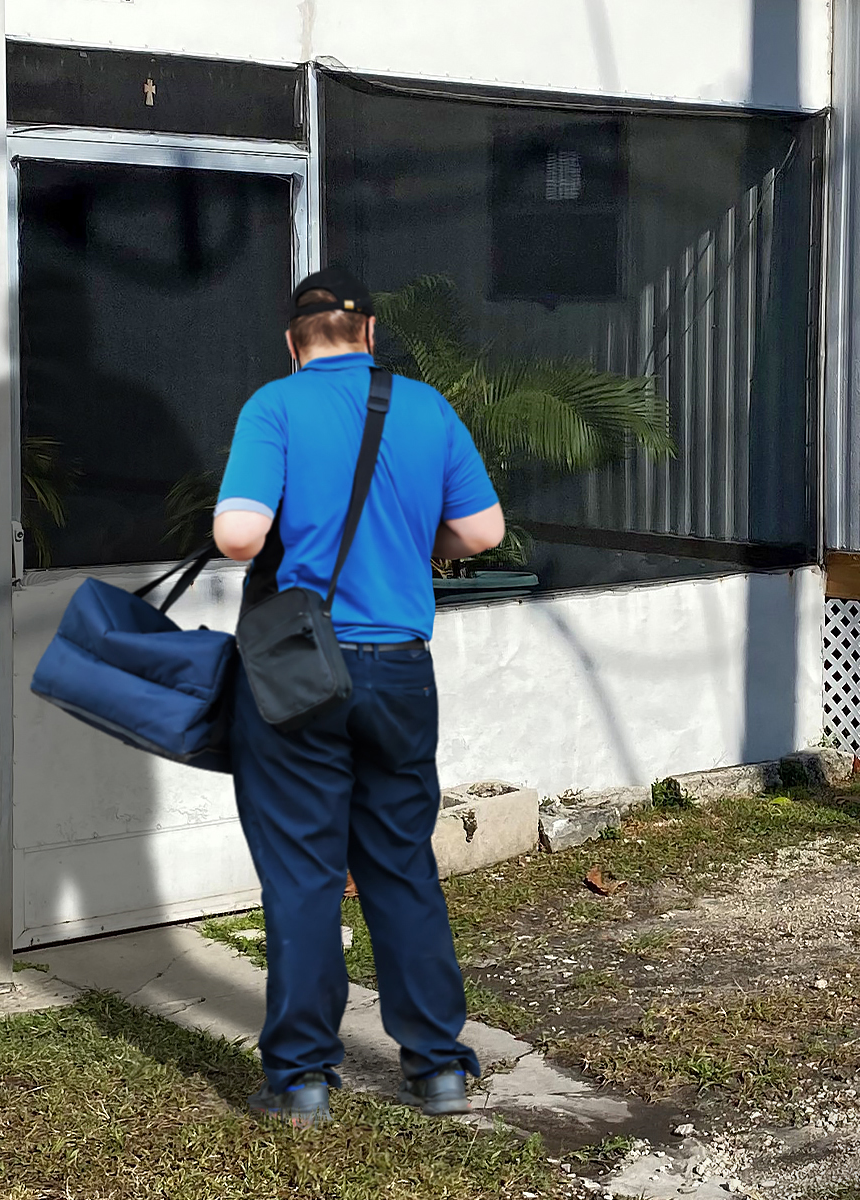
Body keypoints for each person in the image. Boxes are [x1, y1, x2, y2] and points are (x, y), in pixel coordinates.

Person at [211, 266, 506, 1128]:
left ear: (295, 343)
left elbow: (237, 536)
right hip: (400, 670)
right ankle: (438, 1068)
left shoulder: (275, 406)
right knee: (400, 864)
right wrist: (414, 543)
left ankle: (301, 1079)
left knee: (303, 872)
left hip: (301, 670)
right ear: (370, 333)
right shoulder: (425, 408)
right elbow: (483, 531)